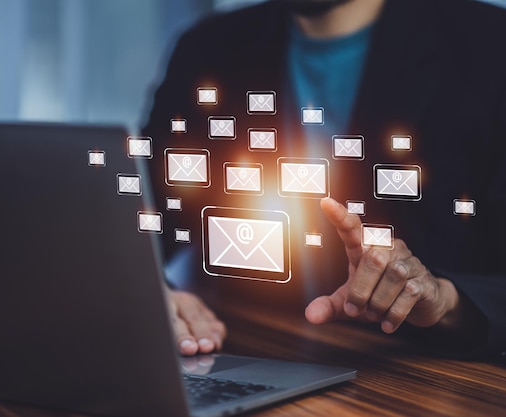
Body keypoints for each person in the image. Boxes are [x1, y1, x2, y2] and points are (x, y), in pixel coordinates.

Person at [141, 0, 506, 360]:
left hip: (429, 374)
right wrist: (153, 290)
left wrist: (448, 300)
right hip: (245, 355)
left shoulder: (490, 44)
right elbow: (145, 216)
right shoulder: (205, 48)